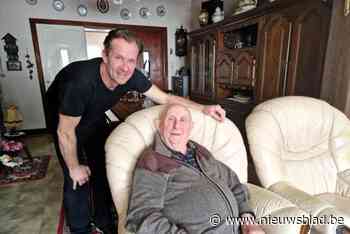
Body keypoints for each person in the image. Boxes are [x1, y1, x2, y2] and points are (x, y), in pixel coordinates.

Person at [46, 28, 225, 234]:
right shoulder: (80, 82)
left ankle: (104, 220)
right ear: (104, 55)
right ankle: (79, 228)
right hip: (63, 121)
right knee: (76, 176)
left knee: (99, 164)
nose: (125, 67)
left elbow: (166, 98)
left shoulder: (133, 76)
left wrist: (203, 108)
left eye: (131, 60)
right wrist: (74, 166)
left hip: (92, 116)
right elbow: (65, 132)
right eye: (119, 58)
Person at [126, 104, 265, 234]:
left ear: (191, 127)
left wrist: (248, 220)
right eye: (171, 119)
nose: (176, 126)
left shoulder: (199, 151)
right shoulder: (153, 159)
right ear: (159, 125)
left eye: (183, 120)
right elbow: (141, 215)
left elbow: (233, 183)